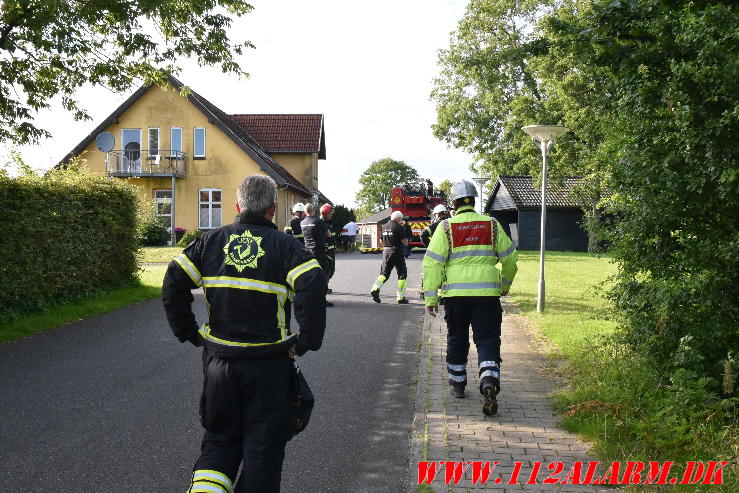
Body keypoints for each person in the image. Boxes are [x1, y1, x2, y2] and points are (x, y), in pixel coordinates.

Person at [162, 174, 327, 493]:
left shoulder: (211, 241)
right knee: (263, 451)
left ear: (237, 206)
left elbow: (173, 282)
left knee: (219, 442)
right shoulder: (285, 247)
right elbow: (313, 284)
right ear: (272, 210)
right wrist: (305, 342)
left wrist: (189, 332)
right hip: (268, 366)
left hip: (219, 365)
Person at [423, 179, 518, 417]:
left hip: (456, 296)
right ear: (474, 201)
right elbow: (510, 260)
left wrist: (431, 298)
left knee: (457, 338)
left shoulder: (445, 227)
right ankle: (488, 381)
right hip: (487, 295)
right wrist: (504, 285)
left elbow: (433, 264)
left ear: (453, 203)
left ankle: (457, 383)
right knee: (487, 339)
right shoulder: (493, 225)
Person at [370, 211, 409, 304]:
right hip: (397, 252)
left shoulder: (384, 226)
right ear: (398, 218)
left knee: (384, 273)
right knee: (402, 274)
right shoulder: (399, 227)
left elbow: (380, 241)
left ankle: (375, 288)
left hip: (386, 251)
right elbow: (405, 242)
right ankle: (400, 297)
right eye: (401, 219)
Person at [302, 203, 334, 307]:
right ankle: (321, 300)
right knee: (323, 275)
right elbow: (328, 234)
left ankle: (309, 298)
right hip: (319, 252)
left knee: (311, 276)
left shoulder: (302, 222)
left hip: (308, 252)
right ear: (314, 211)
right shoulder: (318, 221)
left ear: (305, 211)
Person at [419, 204, 450, 301]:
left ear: (437, 214)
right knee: (444, 273)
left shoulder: (436, 224)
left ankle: (424, 293)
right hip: (448, 252)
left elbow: (423, 234)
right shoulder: (450, 223)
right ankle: (441, 296)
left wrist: (430, 247)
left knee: (429, 272)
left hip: (435, 253)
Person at [319, 204, 336, 293]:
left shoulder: (329, 222)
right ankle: (323, 287)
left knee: (331, 270)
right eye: (330, 213)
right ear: (324, 214)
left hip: (331, 250)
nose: (331, 215)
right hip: (326, 251)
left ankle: (324, 285)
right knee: (326, 270)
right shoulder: (320, 223)